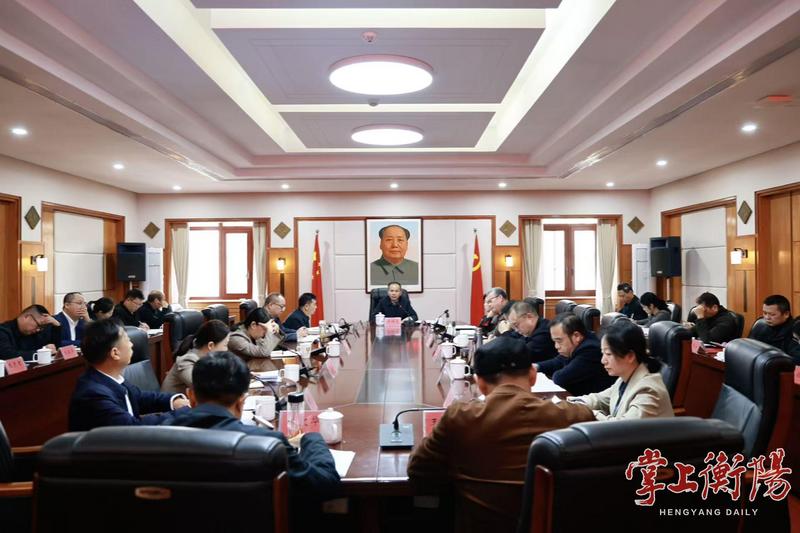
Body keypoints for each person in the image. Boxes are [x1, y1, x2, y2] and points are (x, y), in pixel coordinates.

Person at [407, 336, 595, 533]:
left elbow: (419, 472)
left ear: (479, 383)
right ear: (532, 375)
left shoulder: (460, 418)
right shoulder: (576, 417)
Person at [163, 352, 340, 529]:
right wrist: (312, 438)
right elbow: (325, 484)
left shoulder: (158, 437)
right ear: (242, 402)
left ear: (191, 397)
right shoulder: (268, 444)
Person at [68, 319, 190, 431]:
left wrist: (174, 401)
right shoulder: (93, 394)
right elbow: (132, 428)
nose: (131, 344)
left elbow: (140, 397)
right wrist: (184, 412)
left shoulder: (109, 378)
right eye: (127, 340)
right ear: (115, 353)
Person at [567, 320, 673, 420]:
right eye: (603, 353)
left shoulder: (648, 391)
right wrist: (572, 404)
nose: (603, 360)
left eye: (608, 354)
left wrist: (591, 413)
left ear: (630, 356)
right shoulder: (624, 379)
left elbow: (622, 427)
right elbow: (599, 399)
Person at [536, 313, 615, 395]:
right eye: (554, 341)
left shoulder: (590, 350)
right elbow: (557, 361)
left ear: (576, 336)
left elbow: (560, 378)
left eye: (559, 341)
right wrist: (536, 366)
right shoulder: (576, 346)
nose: (556, 346)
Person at [161, 319, 230, 394]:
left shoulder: (209, 360)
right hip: (173, 401)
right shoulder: (187, 361)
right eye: (225, 345)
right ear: (211, 345)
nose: (226, 349)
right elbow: (205, 389)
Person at [749, 294, 800, 364]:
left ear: (786, 314)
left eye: (772, 314)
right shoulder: (760, 327)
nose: (767, 317)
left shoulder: (795, 333)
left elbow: (795, 361)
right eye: (765, 313)